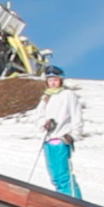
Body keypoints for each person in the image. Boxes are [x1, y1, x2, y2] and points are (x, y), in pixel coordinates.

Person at [34, 66, 82, 198]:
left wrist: (73, 135)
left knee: (63, 175)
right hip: (48, 140)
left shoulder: (67, 95)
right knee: (55, 176)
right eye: (50, 80)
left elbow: (76, 115)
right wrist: (45, 123)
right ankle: (62, 199)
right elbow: (38, 117)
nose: (53, 83)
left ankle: (73, 200)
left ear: (61, 80)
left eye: (55, 80)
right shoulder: (46, 97)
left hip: (61, 138)